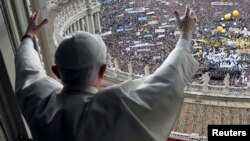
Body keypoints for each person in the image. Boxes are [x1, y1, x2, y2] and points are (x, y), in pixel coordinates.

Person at [15, 6, 199, 141]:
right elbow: (169, 79)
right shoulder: (117, 104)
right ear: (103, 70)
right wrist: (185, 35)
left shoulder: (38, 104)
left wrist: (28, 37)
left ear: (56, 72)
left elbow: (27, 68)